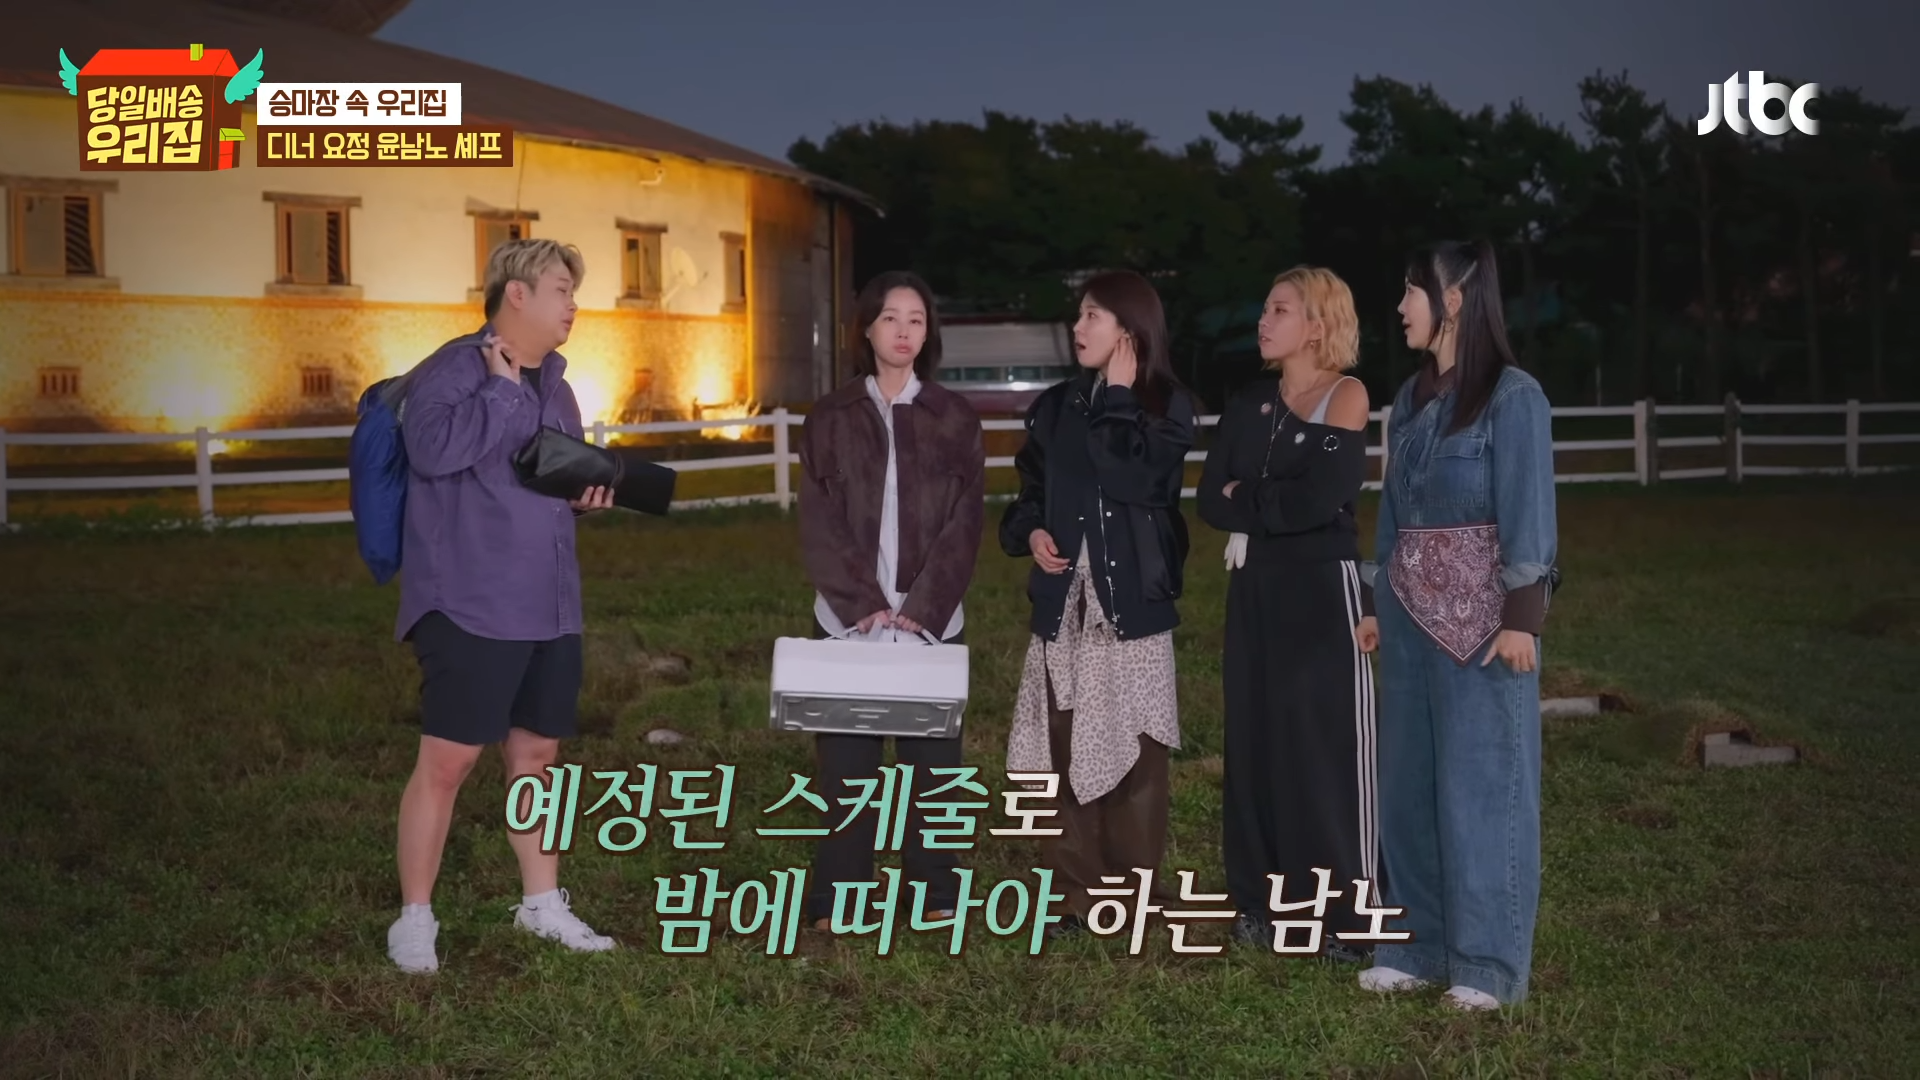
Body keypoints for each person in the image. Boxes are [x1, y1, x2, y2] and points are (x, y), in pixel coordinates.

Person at [385, 238, 619, 974]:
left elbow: (550, 475)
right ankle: (414, 918)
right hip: (468, 601)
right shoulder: (452, 370)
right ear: (516, 293)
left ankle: (541, 905)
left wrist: (584, 497)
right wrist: (497, 390)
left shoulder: (558, 384)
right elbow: (432, 452)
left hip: (550, 602)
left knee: (538, 757)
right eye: (561, 290)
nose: (573, 305)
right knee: (448, 760)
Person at [1353, 238, 1558, 1010]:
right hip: (1408, 626)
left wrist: (1522, 617)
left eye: (1412, 291)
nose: (1401, 306)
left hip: (1483, 631)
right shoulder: (1409, 402)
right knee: (1408, 793)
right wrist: (1375, 602)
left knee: (1484, 790)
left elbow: (1529, 510)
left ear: (1456, 298)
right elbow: (1393, 515)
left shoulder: (1513, 397)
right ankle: (1412, 947)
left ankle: (1486, 967)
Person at [999, 270, 1197, 936]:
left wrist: (1117, 395)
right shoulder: (1056, 407)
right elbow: (1028, 492)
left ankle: (1133, 897)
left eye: (1094, 316)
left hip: (1131, 606)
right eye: (1079, 314)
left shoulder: (1166, 405)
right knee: (1060, 753)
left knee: (1137, 756)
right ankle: (1075, 896)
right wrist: (1033, 531)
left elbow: (1134, 475)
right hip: (1065, 604)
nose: (1078, 327)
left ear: (1130, 330)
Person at [1197, 266, 1378, 962]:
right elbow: (1210, 498)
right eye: (1265, 308)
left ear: (1317, 325)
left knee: (1319, 751)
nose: (1263, 320)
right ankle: (1261, 907)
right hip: (1253, 588)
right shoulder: (1249, 403)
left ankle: (1347, 919)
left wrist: (1250, 498)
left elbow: (1319, 500)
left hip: (1321, 591)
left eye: (1280, 310)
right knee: (1254, 746)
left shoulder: (1346, 394)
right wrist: (1264, 501)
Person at [796, 270, 986, 929]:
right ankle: (839, 894)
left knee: (934, 768)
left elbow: (966, 522)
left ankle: (935, 891)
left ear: (928, 334)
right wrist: (861, 602)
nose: (904, 331)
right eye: (891, 318)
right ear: (867, 329)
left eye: (916, 320)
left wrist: (924, 606)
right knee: (847, 769)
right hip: (849, 622)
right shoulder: (831, 417)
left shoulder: (953, 418)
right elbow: (818, 519)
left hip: (931, 622)